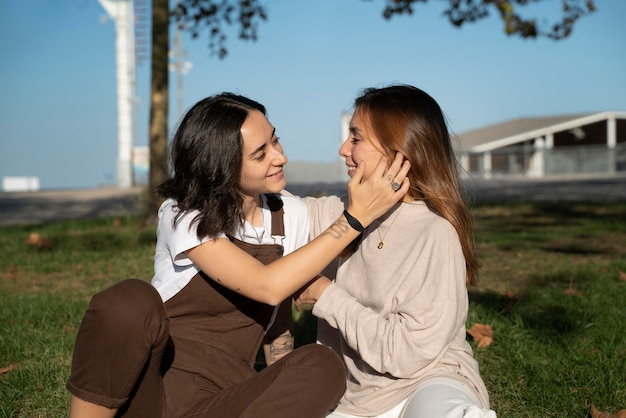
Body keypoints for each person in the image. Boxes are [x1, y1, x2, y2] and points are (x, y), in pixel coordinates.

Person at [66, 92, 411, 418]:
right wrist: (355, 218)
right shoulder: (183, 213)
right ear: (222, 166)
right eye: (260, 154)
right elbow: (266, 285)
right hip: (151, 392)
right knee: (129, 300)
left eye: (274, 140)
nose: (280, 157)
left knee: (323, 365)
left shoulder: (290, 214)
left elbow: (279, 319)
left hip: (228, 399)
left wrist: (283, 376)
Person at [293, 85, 497, 418]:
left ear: (400, 151)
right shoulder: (342, 215)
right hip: (354, 400)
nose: (343, 149)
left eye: (356, 138)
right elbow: (276, 212)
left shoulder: (435, 233)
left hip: (427, 380)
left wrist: (324, 294)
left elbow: (407, 353)